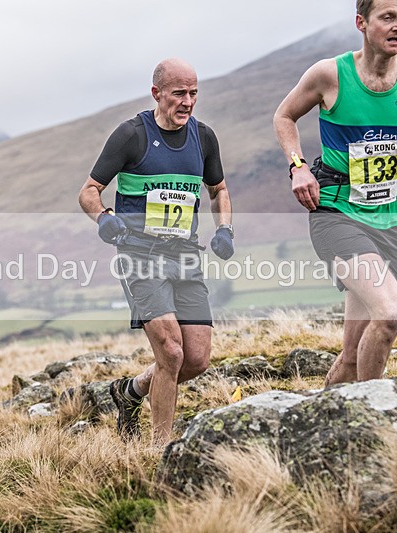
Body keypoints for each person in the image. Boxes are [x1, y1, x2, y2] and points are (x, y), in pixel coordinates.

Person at [273, 0, 397, 385]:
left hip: (387, 218)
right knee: (390, 313)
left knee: (352, 355)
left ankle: (328, 417)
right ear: (361, 22)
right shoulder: (330, 74)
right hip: (336, 213)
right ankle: (373, 411)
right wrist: (298, 167)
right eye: (388, 17)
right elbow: (284, 116)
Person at [79, 58, 235, 445]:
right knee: (171, 352)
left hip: (185, 256)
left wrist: (225, 229)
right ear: (157, 93)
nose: (188, 102)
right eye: (179, 93)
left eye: (193, 93)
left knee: (196, 359)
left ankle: (130, 392)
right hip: (140, 257)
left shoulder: (204, 137)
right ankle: (159, 449)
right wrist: (104, 218)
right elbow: (89, 192)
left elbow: (218, 190)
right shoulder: (131, 135)